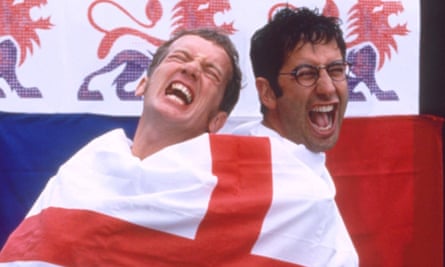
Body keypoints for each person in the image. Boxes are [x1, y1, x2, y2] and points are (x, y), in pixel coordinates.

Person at [0, 28, 249, 266]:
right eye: (180, 57)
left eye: (211, 72)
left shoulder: (220, 206)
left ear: (217, 121)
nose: (192, 68)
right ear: (143, 84)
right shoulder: (82, 172)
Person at [232, 7, 359, 266]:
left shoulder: (294, 160)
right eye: (306, 74)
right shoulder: (239, 174)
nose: (327, 88)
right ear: (267, 93)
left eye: (335, 69)